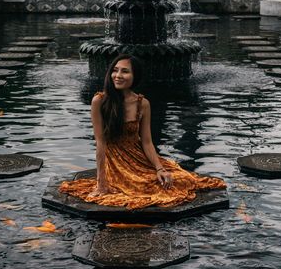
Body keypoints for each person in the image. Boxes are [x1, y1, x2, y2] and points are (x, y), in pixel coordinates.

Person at [59, 55, 226, 209]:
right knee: (143, 188)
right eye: (115, 70)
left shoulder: (142, 103)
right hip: (116, 162)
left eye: (124, 71)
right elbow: (100, 143)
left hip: (139, 158)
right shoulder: (100, 101)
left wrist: (159, 168)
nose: (117, 75)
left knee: (181, 179)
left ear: (134, 76)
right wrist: (101, 183)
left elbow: (146, 142)